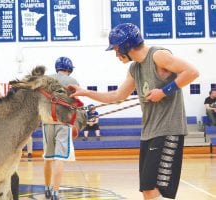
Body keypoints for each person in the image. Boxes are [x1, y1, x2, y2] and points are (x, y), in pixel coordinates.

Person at [69, 23, 199, 200]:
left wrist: (163, 92)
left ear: (126, 46)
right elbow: (117, 96)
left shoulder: (158, 55)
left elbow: (192, 72)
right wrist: (85, 92)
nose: (115, 54)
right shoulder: (134, 69)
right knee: (148, 190)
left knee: (154, 190)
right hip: (149, 133)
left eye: (116, 49)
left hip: (168, 131)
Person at [43, 56, 79, 200]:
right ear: (69, 69)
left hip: (47, 121)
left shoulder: (46, 80)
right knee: (59, 158)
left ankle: (46, 188)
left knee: (48, 157)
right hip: (64, 123)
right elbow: (76, 102)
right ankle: (55, 193)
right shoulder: (73, 82)